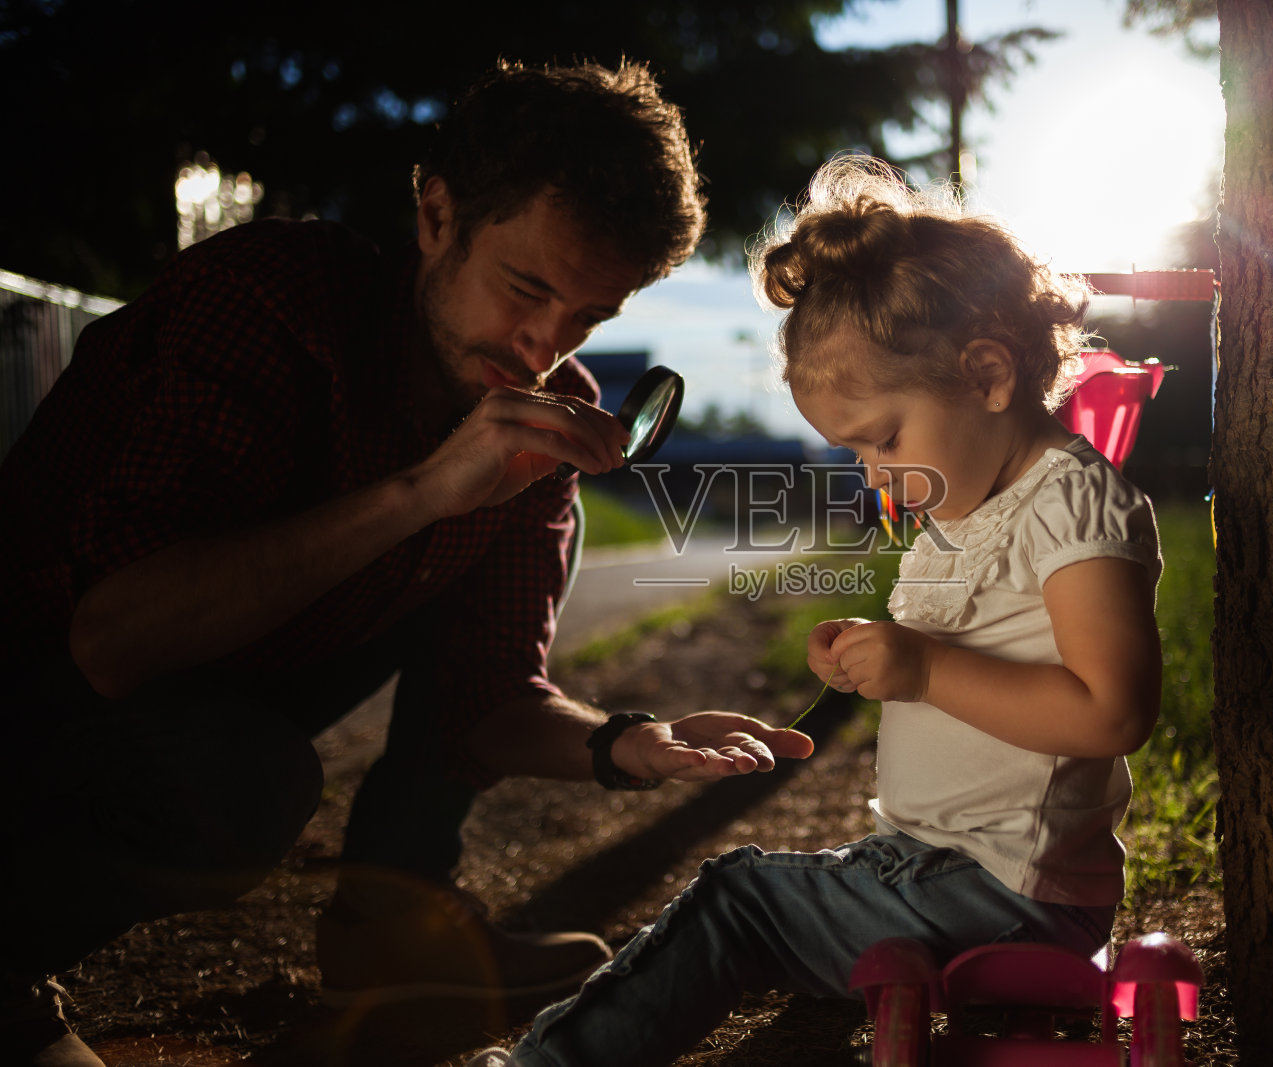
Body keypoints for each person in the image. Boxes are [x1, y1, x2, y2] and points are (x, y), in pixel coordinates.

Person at [0, 60, 811, 1067]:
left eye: (588, 317)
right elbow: (110, 640)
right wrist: (423, 491)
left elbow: (483, 698)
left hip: (183, 686)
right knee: (247, 780)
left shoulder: (534, 415)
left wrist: (626, 743)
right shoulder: (267, 304)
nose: (544, 343)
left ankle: (397, 927)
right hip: (26, 686)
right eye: (527, 288)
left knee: (425, 585)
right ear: (437, 213)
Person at [474, 155, 1165, 1067]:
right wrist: (874, 655)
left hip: (1008, 894)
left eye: (884, 439)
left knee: (739, 898)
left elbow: (1112, 709)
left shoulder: (1073, 501)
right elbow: (970, 645)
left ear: (990, 374)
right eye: (858, 453)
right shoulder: (970, 502)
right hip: (948, 870)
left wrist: (922, 669)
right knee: (771, 890)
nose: (879, 474)